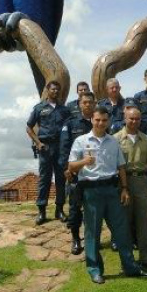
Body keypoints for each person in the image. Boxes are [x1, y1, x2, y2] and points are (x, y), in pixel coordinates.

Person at [67, 106, 147, 283]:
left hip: (112, 190)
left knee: (122, 231)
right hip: (91, 190)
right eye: (97, 120)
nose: (100, 123)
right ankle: (95, 270)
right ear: (91, 119)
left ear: (109, 122)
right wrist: (84, 161)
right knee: (93, 233)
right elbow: (71, 167)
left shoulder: (113, 141)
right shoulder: (81, 141)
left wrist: (124, 188)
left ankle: (130, 267)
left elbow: (121, 167)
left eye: (104, 120)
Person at [114, 106, 147, 269]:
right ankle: (127, 260)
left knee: (144, 220)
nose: (134, 121)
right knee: (124, 221)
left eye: (137, 119)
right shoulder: (115, 139)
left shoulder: (146, 140)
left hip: (140, 181)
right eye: (131, 118)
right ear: (125, 119)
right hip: (121, 182)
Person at [26, 81, 71, 225]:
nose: (55, 92)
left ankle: (59, 210)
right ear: (47, 90)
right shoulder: (39, 108)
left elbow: (69, 129)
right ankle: (42, 211)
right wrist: (38, 143)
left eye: (58, 89)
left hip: (60, 147)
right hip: (45, 148)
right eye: (53, 89)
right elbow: (29, 127)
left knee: (60, 179)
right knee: (44, 180)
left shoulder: (64, 110)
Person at [59, 91, 95, 254]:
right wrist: (67, 169)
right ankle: (75, 239)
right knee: (75, 209)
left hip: (94, 174)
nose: (87, 105)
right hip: (75, 173)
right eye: (84, 102)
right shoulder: (71, 124)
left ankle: (92, 239)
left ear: (94, 104)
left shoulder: (99, 123)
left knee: (93, 209)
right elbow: (64, 148)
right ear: (79, 104)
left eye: (90, 102)